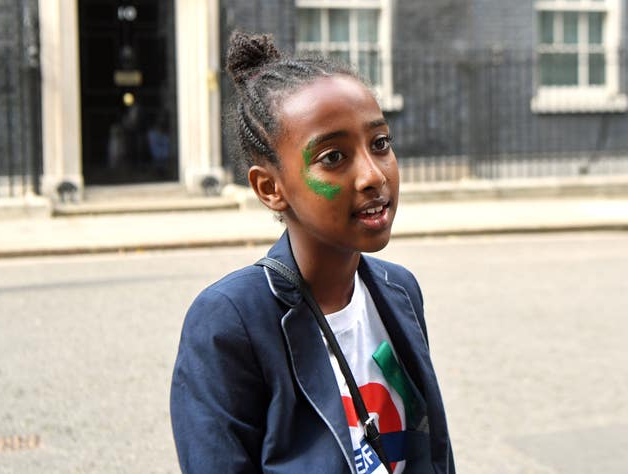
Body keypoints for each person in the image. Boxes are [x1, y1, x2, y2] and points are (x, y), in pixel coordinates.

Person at [170, 31, 455, 474]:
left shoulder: (400, 290)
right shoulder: (230, 322)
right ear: (270, 188)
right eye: (334, 156)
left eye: (380, 144)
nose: (373, 175)